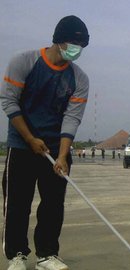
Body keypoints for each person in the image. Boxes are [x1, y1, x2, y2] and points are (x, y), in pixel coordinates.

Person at [0, 15, 90, 270]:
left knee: (53, 204)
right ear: (60, 40)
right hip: (22, 145)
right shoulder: (24, 62)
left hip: (55, 148)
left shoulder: (79, 79)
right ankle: (17, 254)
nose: (78, 50)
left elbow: (72, 118)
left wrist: (62, 156)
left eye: (81, 46)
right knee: (17, 203)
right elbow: (9, 102)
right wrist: (29, 138)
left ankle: (47, 254)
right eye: (74, 44)